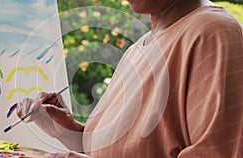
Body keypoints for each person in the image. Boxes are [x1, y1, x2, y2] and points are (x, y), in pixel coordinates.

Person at [16, 0, 243, 157]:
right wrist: (66, 130)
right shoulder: (139, 47)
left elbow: (217, 152)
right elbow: (124, 150)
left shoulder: (213, 32)